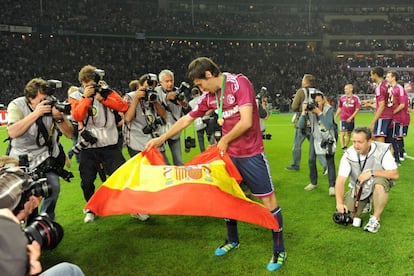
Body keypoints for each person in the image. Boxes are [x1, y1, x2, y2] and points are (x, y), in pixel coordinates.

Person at [145, 57, 286, 271]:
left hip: (250, 154)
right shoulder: (209, 96)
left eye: (200, 84)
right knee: (225, 196)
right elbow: (187, 119)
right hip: (227, 155)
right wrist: (161, 139)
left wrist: (226, 139)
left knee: (268, 200)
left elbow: (247, 121)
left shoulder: (239, 83)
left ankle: (279, 250)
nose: (200, 89)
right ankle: (232, 240)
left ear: (209, 75)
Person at [7, 78, 74, 220]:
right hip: (22, 160)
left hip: (45, 158)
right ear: (30, 98)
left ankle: (45, 222)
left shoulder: (52, 105)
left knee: (52, 188)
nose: (46, 102)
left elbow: (69, 134)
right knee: (26, 198)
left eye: (47, 98)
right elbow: (12, 132)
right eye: (42, 99)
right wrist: (36, 113)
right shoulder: (17, 105)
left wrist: (59, 118)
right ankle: (29, 226)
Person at [68, 65, 129, 223]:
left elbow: (123, 107)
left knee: (122, 177)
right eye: (87, 84)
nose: (90, 86)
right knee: (87, 181)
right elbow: (77, 115)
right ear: (82, 83)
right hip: (88, 147)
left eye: (93, 83)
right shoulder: (76, 95)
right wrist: (87, 98)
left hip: (109, 144)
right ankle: (91, 208)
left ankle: (132, 207)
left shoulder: (107, 91)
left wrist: (104, 98)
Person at [334, 127, 399, 233]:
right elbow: (340, 180)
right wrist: (339, 203)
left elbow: (395, 174)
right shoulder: (348, 154)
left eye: (360, 142)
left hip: (377, 182)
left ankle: (375, 219)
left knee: (379, 184)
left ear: (369, 141)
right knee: (347, 217)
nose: (356, 145)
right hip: (359, 188)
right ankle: (365, 202)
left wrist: (371, 173)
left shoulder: (382, 150)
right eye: (354, 141)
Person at [123, 74, 167, 221]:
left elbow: (163, 115)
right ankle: (137, 209)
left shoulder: (154, 96)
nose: (151, 88)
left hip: (151, 141)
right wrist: (136, 98)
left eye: (153, 85)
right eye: (148, 85)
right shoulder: (129, 96)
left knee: (157, 173)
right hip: (135, 141)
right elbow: (127, 118)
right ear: (140, 85)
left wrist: (155, 102)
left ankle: (149, 203)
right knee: (140, 177)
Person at [286, 74, 327, 174]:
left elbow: (294, 107)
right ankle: (326, 166)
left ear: (305, 82)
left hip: (303, 122)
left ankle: (295, 165)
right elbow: (324, 107)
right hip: (315, 123)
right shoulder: (319, 92)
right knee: (316, 145)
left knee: (297, 145)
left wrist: (303, 109)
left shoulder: (301, 91)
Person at [299, 92, 337, 196]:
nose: (316, 103)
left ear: (324, 100)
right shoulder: (310, 110)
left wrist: (319, 112)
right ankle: (313, 182)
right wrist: (303, 112)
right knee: (311, 160)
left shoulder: (328, 109)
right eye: (315, 101)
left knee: (330, 161)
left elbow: (329, 125)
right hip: (315, 137)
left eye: (319, 100)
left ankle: (332, 186)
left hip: (328, 137)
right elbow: (300, 125)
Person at [155, 69, 191, 165]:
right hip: (159, 132)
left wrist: (184, 104)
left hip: (174, 131)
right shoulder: (155, 92)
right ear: (160, 82)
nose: (170, 84)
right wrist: (166, 98)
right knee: (162, 161)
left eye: (171, 81)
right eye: (167, 81)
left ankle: (180, 178)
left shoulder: (178, 92)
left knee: (178, 160)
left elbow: (189, 111)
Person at [361, 67, 393, 143]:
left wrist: (373, 122)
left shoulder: (379, 87)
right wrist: (370, 104)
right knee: (388, 143)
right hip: (391, 116)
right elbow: (386, 102)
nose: (371, 77)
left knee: (378, 140)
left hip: (383, 117)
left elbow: (382, 106)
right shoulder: (388, 84)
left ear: (375, 75)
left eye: (371, 75)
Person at [385, 70, 410, 164]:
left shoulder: (399, 88)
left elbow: (402, 104)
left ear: (393, 78)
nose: (386, 79)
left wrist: (392, 112)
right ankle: (396, 157)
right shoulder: (390, 88)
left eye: (388, 77)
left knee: (394, 138)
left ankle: (397, 159)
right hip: (392, 117)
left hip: (398, 117)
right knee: (392, 138)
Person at [334, 84, 361, 151]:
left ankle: (345, 146)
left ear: (351, 89)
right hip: (343, 118)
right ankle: (343, 147)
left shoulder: (355, 98)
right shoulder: (342, 98)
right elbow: (340, 107)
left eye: (346, 89)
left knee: (349, 133)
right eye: (345, 89)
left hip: (351, 119)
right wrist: (336, 116)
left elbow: (357, 109)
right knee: (342, 132)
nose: (345, 90)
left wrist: (351, 117)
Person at [188, 87, 211, 152]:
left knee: (200, 140)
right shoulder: (202, 98)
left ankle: (203, 154)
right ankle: (212, 151)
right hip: (206, 119)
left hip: (197, 122)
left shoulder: (190, 103)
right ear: (198, 92)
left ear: (192, 94)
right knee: (210, 137)